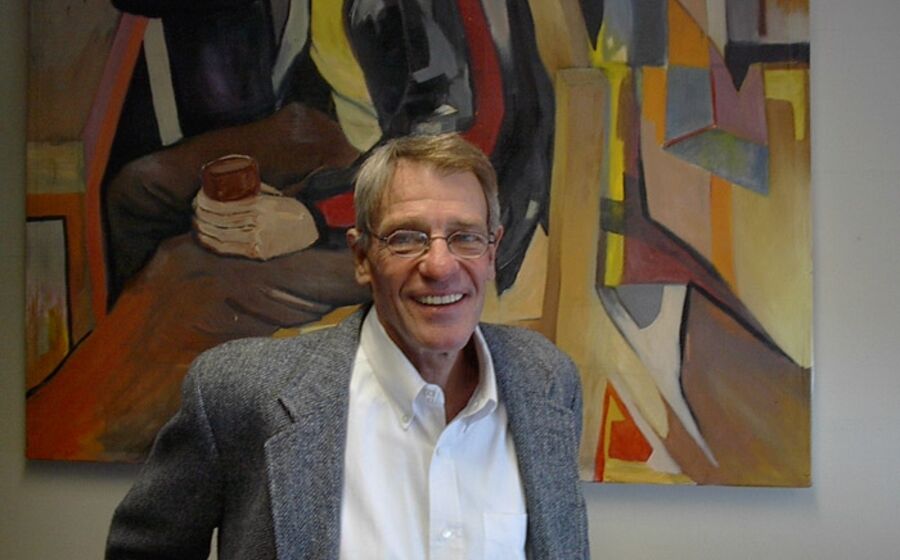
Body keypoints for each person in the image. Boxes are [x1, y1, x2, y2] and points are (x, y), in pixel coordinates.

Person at [105, 133, 588, 559]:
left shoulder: (547, 381)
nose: (440, 266)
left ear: (491, 252)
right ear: (361, 257)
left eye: (465, 237)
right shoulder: (240, 393)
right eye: (407, 238)